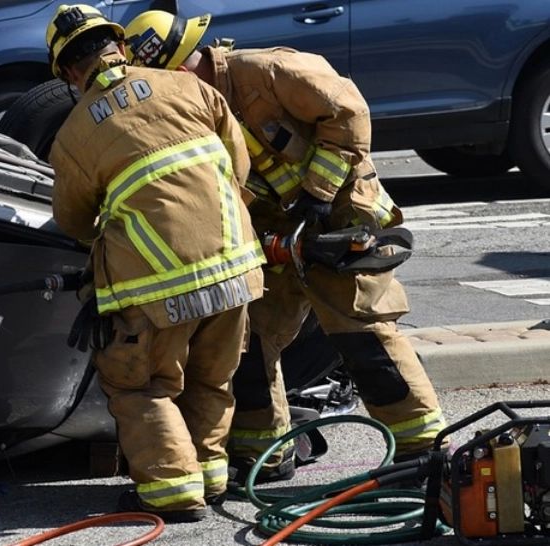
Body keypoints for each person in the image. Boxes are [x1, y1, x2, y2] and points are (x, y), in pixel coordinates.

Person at [123, 10, 448, 483]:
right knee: (249, 337)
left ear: (185, 64)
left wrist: (317, 196)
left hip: (338, 215)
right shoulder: (195, 111)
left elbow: (349, 112)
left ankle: (421, 450)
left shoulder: (267, 72)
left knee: (360, 331)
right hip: (282, 235)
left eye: (172, 75)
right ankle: (267, 454)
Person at [46, 4, 266, 522]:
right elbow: (240, 165)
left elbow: (75, 220)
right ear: (118, 47)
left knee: (141, 385)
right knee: (213, 379)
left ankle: (172, 492)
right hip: (237, 268)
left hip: (155, 287)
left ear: (70, 73)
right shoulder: (187, 86)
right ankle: (212, 479)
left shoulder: (74, 134)